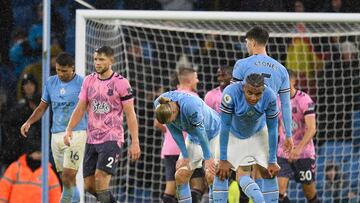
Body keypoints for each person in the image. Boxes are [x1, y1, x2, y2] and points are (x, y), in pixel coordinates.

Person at [64, 46, 141, 203]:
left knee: (101, 179)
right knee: (89, 185)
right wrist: (69, 129)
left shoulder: (121, 83)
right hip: (92, 139)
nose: (97, 63)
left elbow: (130, 114)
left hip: (112, 138)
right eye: (95, 59)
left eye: (101, 59)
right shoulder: (88, 80)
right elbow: (80, 107)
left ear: (111, 61)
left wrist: (135, 142)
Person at [232, 26, 293, 202]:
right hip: (270, 127)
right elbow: (286, 105)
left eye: (246, 43)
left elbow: (232, 98)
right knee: (267, 172)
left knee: (242, 172)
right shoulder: (281, 69)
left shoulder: (242, 65)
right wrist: (288, 135)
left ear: (252, 42)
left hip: (245, 126)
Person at [20, 52, 87, 203]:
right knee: (67, 181)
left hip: (76, 133)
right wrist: (28, 122)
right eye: (58, 70)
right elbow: (42, 107)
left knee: (68, 176)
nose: (61, 74)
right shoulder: (50, 82)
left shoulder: (82, 83)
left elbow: (89, 107)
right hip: (56, 135)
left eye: (64, 70)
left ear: (72, 68)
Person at [214, 73, 280, 203]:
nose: (254, 97)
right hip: (233, 133)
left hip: (258, 133)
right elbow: (225, 125)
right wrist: (223, 158)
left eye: (258, 94)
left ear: (263, 90)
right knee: (221, 172)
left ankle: (260, 200)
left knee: (269, 172)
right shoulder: (230, 93)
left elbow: (273, 128)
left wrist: (273, 159)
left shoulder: (270, 96)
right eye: (250, 93)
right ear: (243, 87)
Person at [154, 90, 220, 203]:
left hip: (215, 134)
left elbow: (202, 133)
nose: (173, 122)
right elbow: (175, 132)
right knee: (180, 175)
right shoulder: (160, 105)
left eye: (172, 119)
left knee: (211, 175)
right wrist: (184, 155)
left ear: (175, 110)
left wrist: (208, 157)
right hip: (193, 137)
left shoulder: (190, 106)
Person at [155, 67, 206, 203]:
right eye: (196, 77)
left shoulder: (166, 97)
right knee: (198, 185)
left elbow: (157, 123)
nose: (198, 80)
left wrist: (170, 130)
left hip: (169, 149)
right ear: (189, 80)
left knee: (170, 189)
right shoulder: (193, 98)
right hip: (189, 149)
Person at [277, 70, 319, 203]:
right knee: (279, 192)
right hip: (283, 153)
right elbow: (277, 125)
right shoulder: (276, 100)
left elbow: (312, 128)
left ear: (293, 81)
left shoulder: (304, 99)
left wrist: (298, 149)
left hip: (304, 153)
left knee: (310, 194)